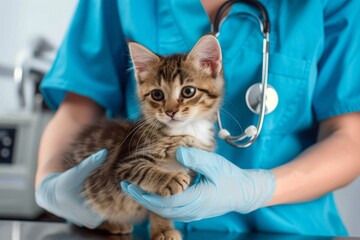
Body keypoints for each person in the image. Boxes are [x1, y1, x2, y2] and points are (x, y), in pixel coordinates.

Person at [35, 0, 360, 236]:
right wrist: (48, 183)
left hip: (289, 230)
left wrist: (256, 189)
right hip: (138, 226)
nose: (173, 108)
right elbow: (78, 108)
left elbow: (350, 136)